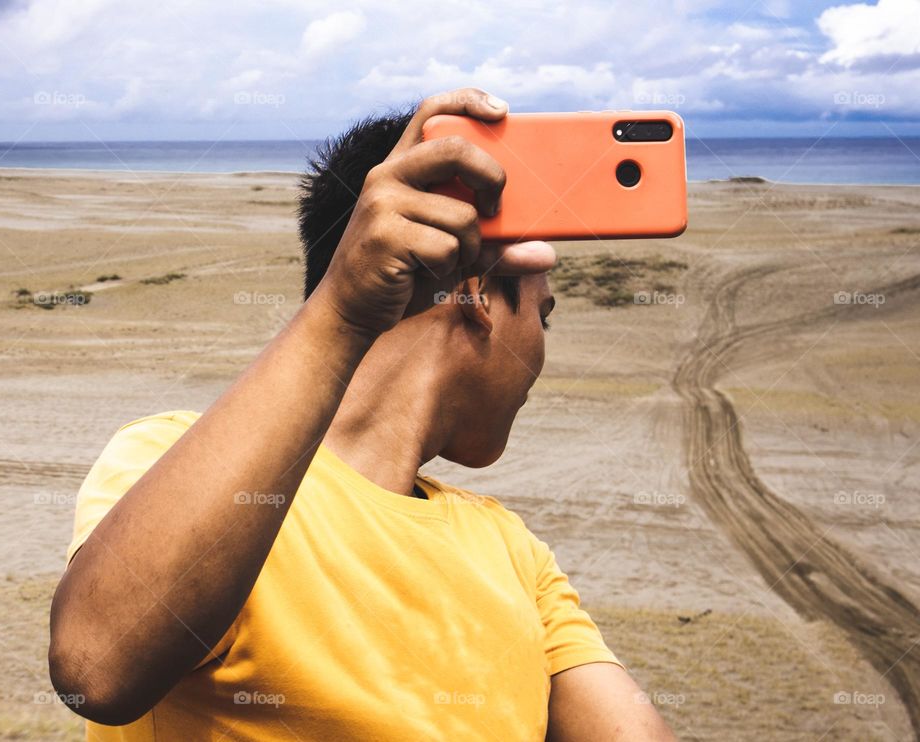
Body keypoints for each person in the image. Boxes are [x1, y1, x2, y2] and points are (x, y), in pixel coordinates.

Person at [48, 88, 676, 741]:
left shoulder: (513, 549)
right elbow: (93, 668)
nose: (543, 353)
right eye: (542, 316)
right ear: (475, 295)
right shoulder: (178, 457)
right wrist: (343, 310)